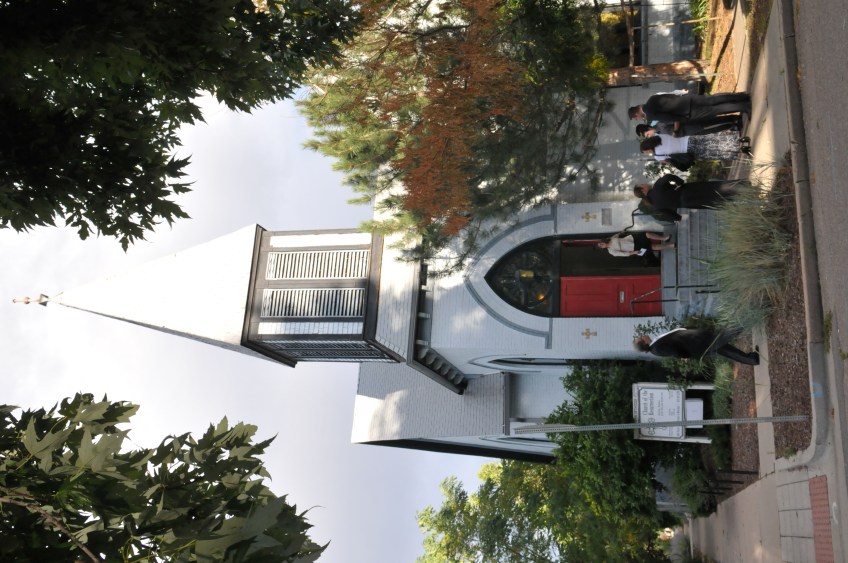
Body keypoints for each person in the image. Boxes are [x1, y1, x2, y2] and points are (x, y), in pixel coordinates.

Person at [633, 327, 760, 365]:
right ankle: (744, 322)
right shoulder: (656, 348)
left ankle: (750, 359)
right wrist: (685, 355)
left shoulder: (655, 345)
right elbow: (675, 351)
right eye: (641, 338)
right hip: (696, 343)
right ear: (644, 342)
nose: (642, 335)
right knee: (723, 336)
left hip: (696, 342)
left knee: (723, 348)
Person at [634, 174, 744, 216]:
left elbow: (672, 215)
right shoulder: (657, 186)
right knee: (715, 188)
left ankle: (741, 201)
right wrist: (680, 182)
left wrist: (677, 218)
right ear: (643, 190)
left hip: (688, 203)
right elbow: (667, 177)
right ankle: (742, 186)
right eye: (642, 185)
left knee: (713, 202)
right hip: (687, 190)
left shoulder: (655, 206)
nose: (645, 184)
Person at [628, 92, 751, 129]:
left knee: (716, 110)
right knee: (714, 99)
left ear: (636, 113)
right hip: (687, 99)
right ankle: (743, 97)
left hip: (686, 111)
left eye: (636, 118)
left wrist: (684, 119)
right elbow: (670, 95)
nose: (638, 119)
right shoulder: (651, 98)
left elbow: (668, 118)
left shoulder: (650, 115)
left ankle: (744, 106)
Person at [639, 131, 751, 164]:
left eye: (646, 151)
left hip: (688, 151)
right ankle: (739, 140)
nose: (648, 153)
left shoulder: (657, 155)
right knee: (714, 140)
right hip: (689, 139)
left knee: (715, 152)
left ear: (648, 148)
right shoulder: (659, 136)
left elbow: (668, 162)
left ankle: (741, 150)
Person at [635, 118, 740, 139]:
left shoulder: (660, 124)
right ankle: (731, 125)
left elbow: (676, 120)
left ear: (648, 128)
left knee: (713, 123)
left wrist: (675, 131)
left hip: (692, 126)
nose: (649, 136)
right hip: (691, 132)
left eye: (647, 134)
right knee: (713, 129)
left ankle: (734, 120)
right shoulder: (659, 132)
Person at [597, 231, 673, 257]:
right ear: (602, 248)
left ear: (602, 241)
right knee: (652, 247)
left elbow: (617, 235)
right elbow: (623, 254)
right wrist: (634, 252)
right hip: (633, 248)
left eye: (600, 243)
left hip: (632, 239)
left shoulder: (611, 238)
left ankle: (665, 238)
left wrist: (621, 232)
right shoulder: (611, 251)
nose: (601, 245)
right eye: (600, 246)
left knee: (647, 234)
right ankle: (670, 246)